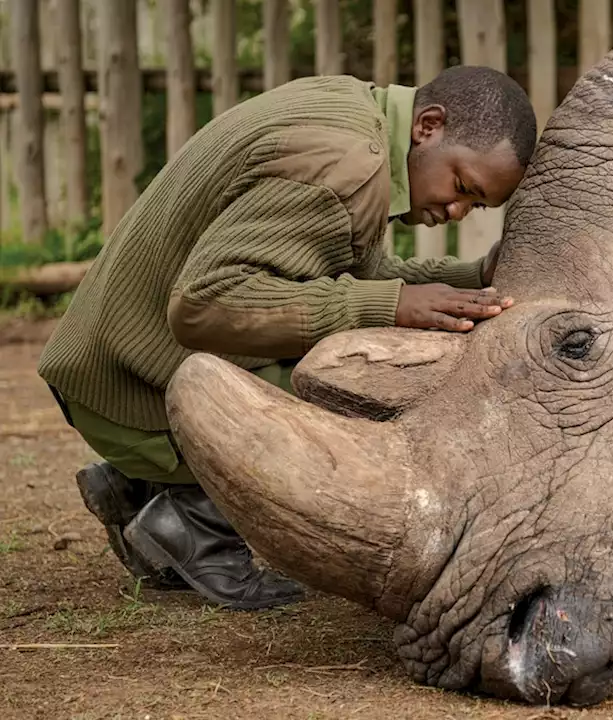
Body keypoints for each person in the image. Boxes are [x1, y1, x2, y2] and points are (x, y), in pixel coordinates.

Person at [36, 65, 539, 610]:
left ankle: (146, 485)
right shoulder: (345, 165)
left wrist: (472, 279)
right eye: (463, 186)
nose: (457, 210)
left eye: (477, 205)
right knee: (378, 390)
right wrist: (387, 307)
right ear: (428, 126)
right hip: (129, 393)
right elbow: (205, 304)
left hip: (108, 368)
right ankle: (191, 518)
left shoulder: (354, 115)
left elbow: (346, 272)